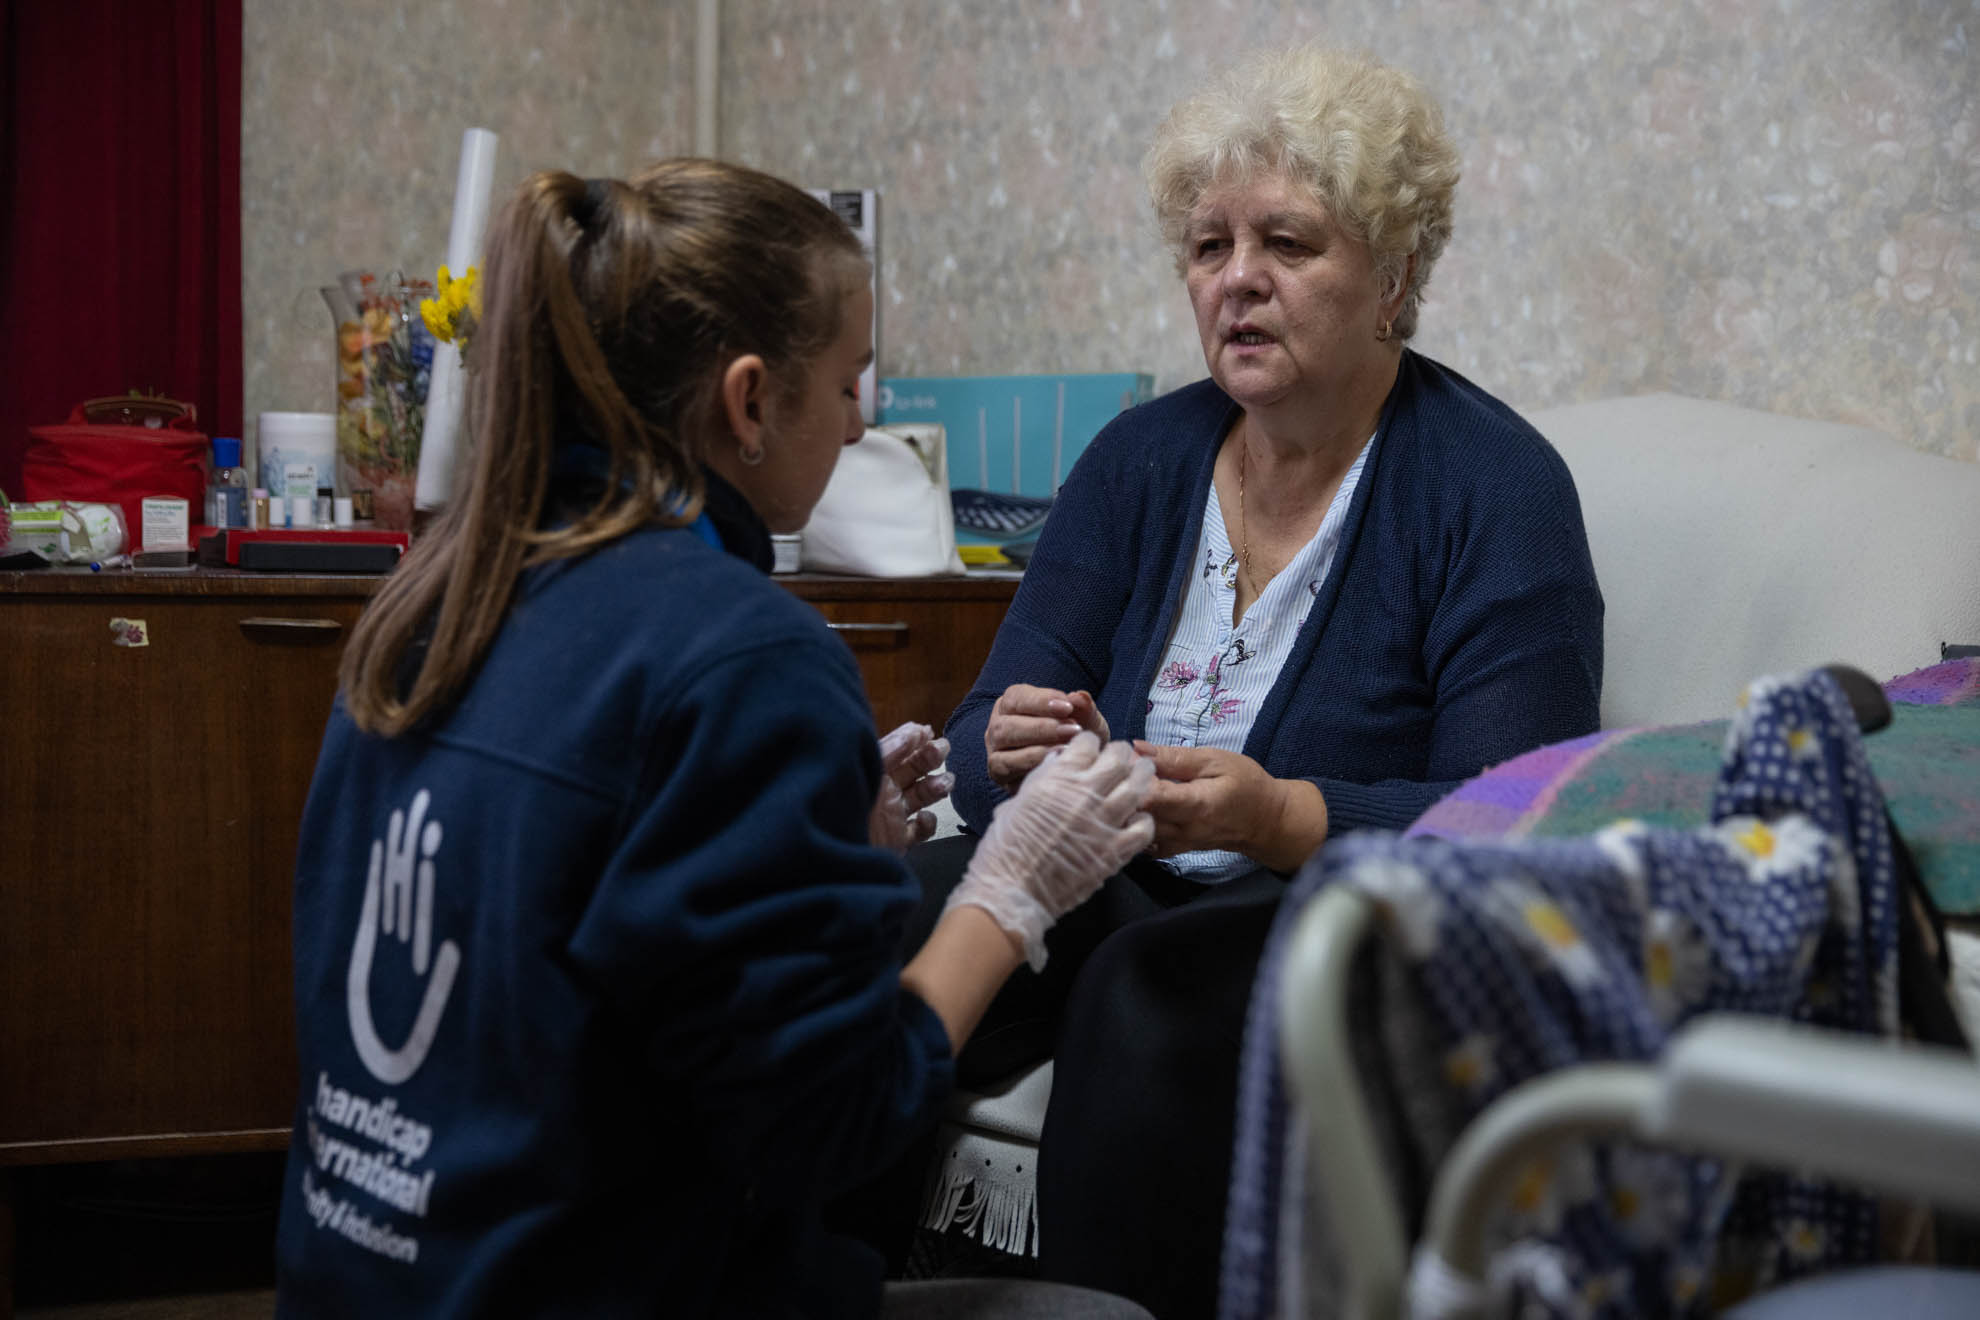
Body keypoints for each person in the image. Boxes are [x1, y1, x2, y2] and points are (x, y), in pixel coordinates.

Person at [274, 158, 1160, 1320]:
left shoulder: (434, 603)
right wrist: (1010, 894)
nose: (858, 423)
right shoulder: (741, 656)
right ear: (748, 403)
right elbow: (836, 1125)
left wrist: (817, 830)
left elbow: (573, 937)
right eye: (848, 387)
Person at [908, 44, 1604, 1318]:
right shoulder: (1137, 460)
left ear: (1393, 275)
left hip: (1322, 919)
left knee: (1146, 1000)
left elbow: (1519, 823)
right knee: (853, 918)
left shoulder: (1497, 491)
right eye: (1208, 245)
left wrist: (1276, 814)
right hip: (1094, 877)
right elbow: (972, 742)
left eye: (1287, 243)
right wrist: (1005, 744)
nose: (1237, 281)